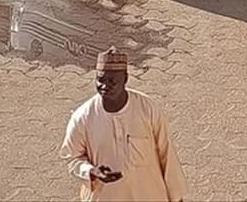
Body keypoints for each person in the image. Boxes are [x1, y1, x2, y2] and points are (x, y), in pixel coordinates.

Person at [61, 47, 187, 202]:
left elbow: (166, 154)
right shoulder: (82, 118)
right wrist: (92, 171)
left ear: (125, 79)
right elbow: (72, 158)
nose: (105, 86)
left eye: (112, 81)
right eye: (100, 79)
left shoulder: (147, 108)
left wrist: (176, 197)